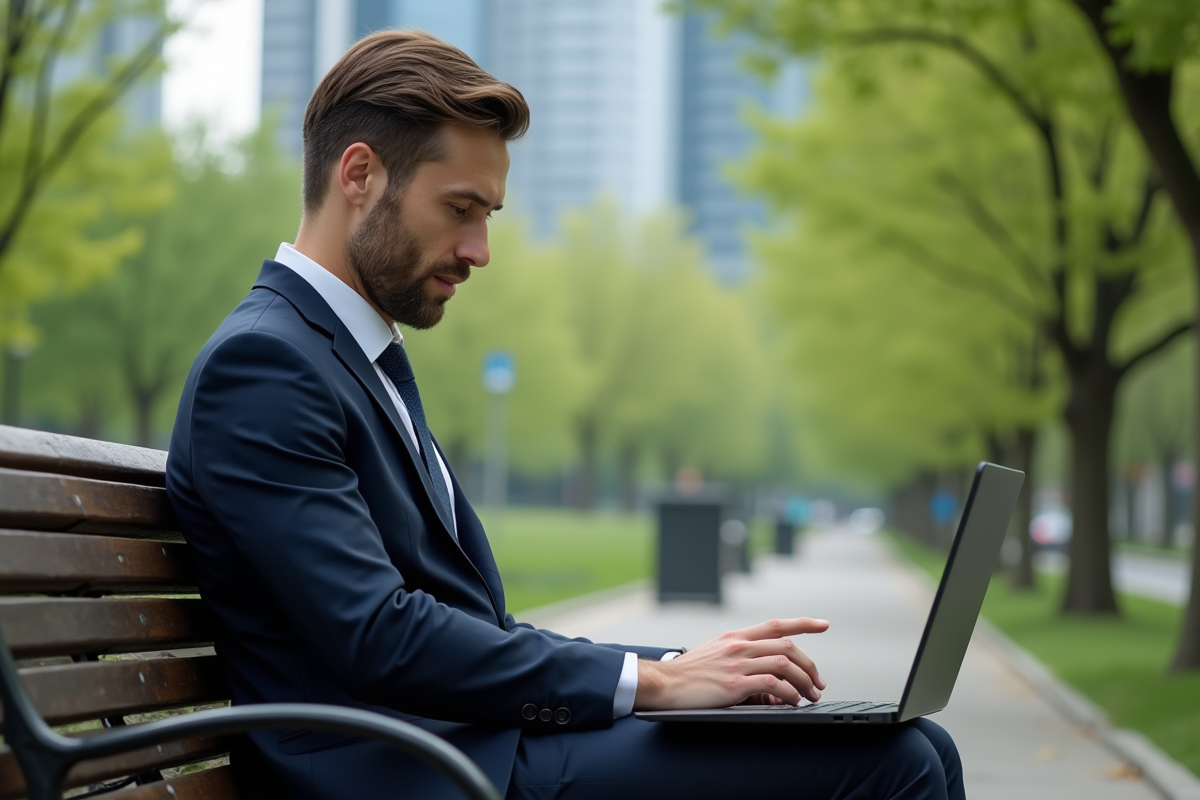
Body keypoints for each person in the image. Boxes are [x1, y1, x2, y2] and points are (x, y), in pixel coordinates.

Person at [166, 30, 965, 800]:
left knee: (918, 743)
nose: (479, 250)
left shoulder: (341, 356)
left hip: (465, 743)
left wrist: (688, 665)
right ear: (360, 175)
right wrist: (654, 681)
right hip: (408, 768)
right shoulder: (266, 367)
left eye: (489, 216)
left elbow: (479, 626)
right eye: (460, 209)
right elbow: (378, 633)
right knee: (896, 764)